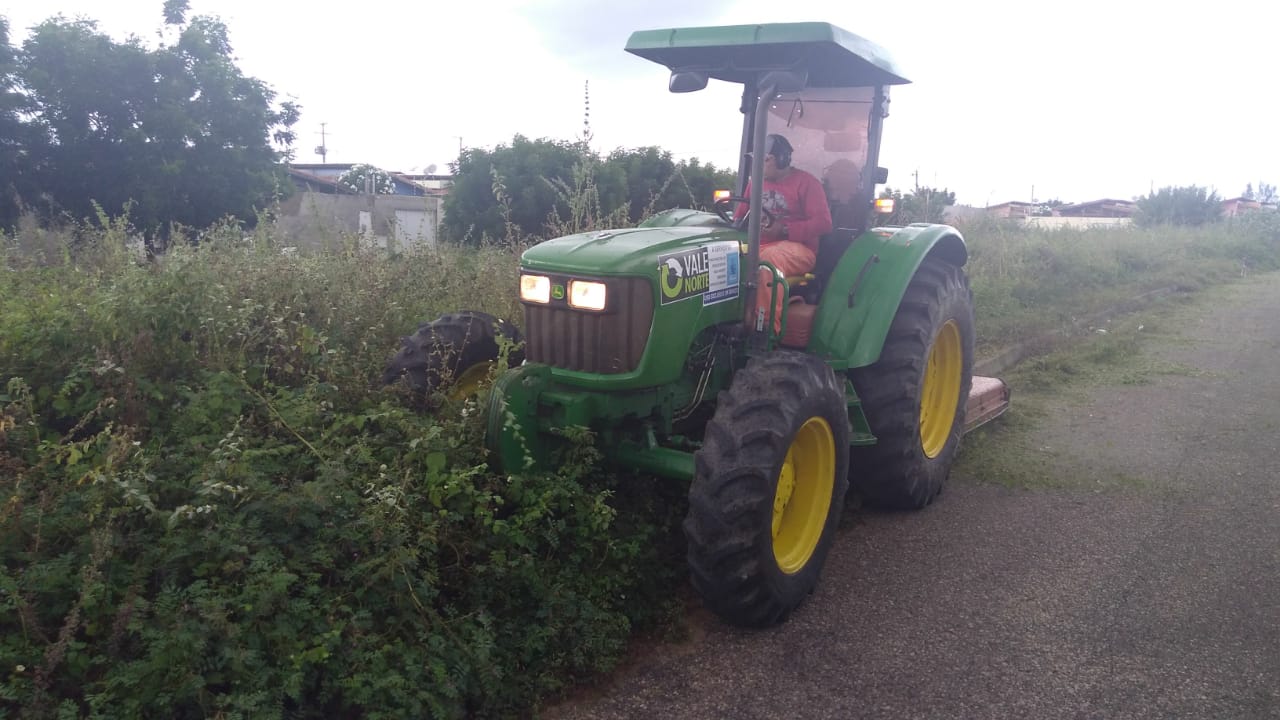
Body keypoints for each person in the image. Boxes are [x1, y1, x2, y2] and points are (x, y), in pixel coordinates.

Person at [733, 133, 833, 331]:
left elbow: (824, 223)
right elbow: (740, 216)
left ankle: (765, 328)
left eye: (765, 160)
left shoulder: (806, 183)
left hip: (799, 249)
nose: (759, 165)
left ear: (782, 159)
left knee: (768, 261)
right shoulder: (756, 182)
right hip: (758, 246)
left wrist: (785, 230)